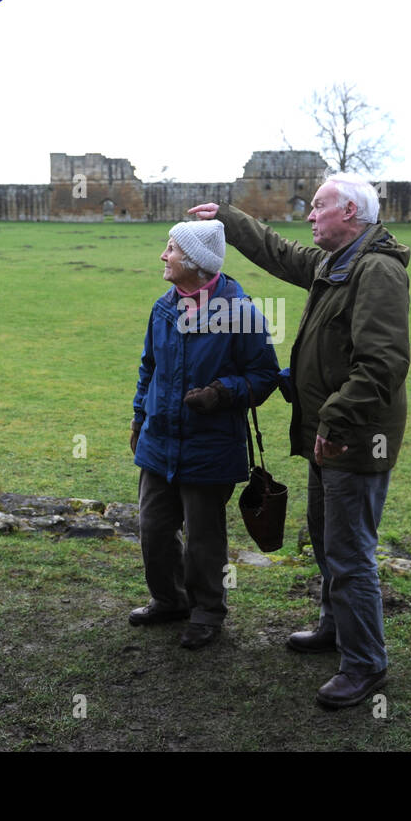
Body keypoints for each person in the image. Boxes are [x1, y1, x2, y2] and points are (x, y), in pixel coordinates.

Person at [187, 174, 410, 707]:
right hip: (324, 436)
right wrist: (228, 219)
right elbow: (279, 253)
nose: (309, 216)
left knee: (350, 551)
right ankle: (336, 629)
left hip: (351, 439)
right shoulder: (335, 262)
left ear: (350, 213)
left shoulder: (375, 270)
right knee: (326, 537)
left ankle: (365, 664)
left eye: (318, 207)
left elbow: (382, 364)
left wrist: (332, 421)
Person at [128, 220, 280, 649]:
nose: (163, 255)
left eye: (171, 249)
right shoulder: (163, 308)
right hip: (159, 440)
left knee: (204, 539)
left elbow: (265, 376)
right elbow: (149, 368)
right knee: (154, 528)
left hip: (209, 447)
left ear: (194, 261)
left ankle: (207, 612)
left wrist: (220, 393)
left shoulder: (242, 314)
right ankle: (169, 600)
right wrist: (139, 417)